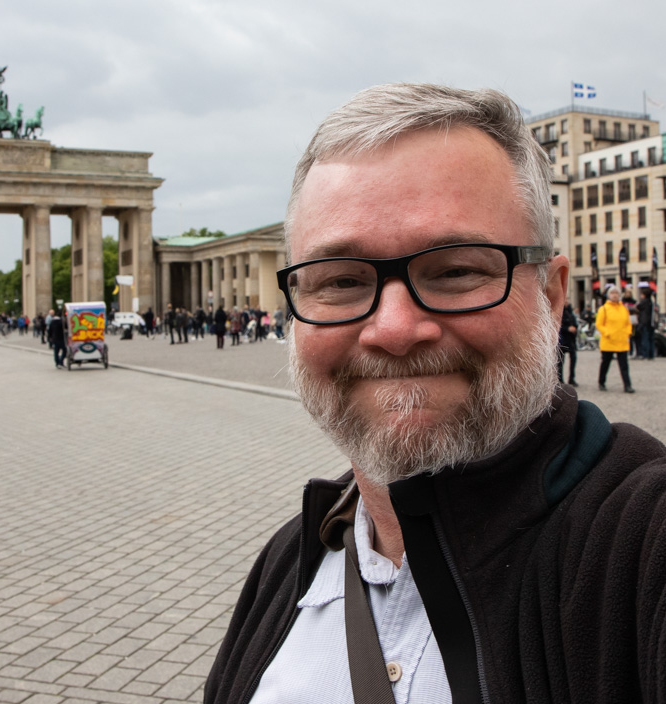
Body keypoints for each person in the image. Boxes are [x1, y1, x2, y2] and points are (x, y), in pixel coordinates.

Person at [205, 84, 666, 704]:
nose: (394, 330)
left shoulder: (641, 544)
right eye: (340, 280)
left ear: (552, 297)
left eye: (455, 271)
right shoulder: (288, 561)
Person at [596, 287, 634, 393]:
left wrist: (628, 333)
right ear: (609, 295)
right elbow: (599, 324)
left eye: (616, 293)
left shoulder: (623, 309)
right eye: (612, 293)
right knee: (605, 363)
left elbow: (628, 323)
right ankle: (601, 382)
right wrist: (607, 333)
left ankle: (627, 385)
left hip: (622, 341)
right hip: (608, 341)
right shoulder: (603, 309)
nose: (614, 295)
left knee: (624, 365)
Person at [557, 301, 578, 386]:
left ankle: (571, 378)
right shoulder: (559, 310)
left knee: (573, 358)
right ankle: (560, 379)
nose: (566, 301)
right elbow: (558, 324)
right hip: (562, 339)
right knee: (561, 361)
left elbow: (575, 323)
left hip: (571, 340)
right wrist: (568, 328)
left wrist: (575, 328)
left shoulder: (570, 312)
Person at [636, 287, 655, 359]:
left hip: (644, 322)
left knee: (645, 339)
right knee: (650, 339)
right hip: (651, 322)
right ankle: (651, 354)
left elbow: (638, 307)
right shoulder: (651, 302)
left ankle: (645, 354)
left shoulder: (644, 302)